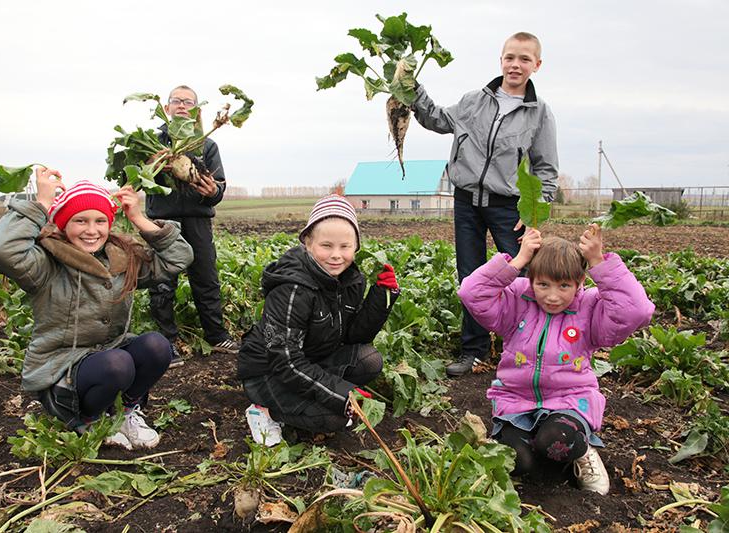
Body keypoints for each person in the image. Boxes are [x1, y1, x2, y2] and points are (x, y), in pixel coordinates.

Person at [0, 168, 193, 450]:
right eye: (80, 220)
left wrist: (139, 218)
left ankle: (127, 411)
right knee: (118, 364)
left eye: (100, 221)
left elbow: (179, 258)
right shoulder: (46, 264)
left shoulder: (121, 258)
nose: (91, 230)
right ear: (64, 224)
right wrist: (42, 204)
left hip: (108, 355)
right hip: (63, 367)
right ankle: (88, 420)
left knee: (157, 346)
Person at [458, 223, 654, 494]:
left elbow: (637, 311)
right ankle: (531, 444)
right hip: (516, 403)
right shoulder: (516, 299)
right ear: (531, 280)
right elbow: (471, 293)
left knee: (554, 442)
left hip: (569, 401)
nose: (552, 296)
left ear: (580, 282)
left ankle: (584, 450)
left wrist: (598, 261)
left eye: (564, 286)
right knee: (519, 463)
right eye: (543, 284)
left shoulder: (590, 308)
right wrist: (518, 260)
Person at [411, 32, 559, 376]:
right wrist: (412, 89)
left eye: (524, 59)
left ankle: (524, 347)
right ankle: (474, 350)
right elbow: (436, 118)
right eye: (510, 57)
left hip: (509, 207)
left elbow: (546, 169)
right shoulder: (472, 101)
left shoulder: (539, 113)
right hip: (466, 203)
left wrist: (535, 214)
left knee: (522, 275)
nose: (515, 65)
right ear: (501, 60)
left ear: (536, 65)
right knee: (471, 277)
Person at [236, 195, 400, 445]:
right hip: (270, 373)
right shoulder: (292, 289)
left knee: (369, 360)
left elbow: (354, 337)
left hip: (311, 360)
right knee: (334, 420)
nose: (336, 255)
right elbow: (286, 361)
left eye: (345, 246)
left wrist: (382, 296)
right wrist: (341, 394)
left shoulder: (351, 279)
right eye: (326, 246)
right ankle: (265, 411)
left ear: (356, 246)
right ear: (308, 244)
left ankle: (309, 400)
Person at [145, 84, 239, 366]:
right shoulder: (152, 142)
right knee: (162, 281)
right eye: (177, 101)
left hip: (198, 221)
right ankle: (167, 341)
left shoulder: (208, 144)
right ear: (167, 107)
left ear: (197, 110)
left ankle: (216, 335)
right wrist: (155, 164)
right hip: (164, 220)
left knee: (206, 279)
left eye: (189, 102)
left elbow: (219, 188)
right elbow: (140, 178)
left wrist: (212, 192)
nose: (182, 106)